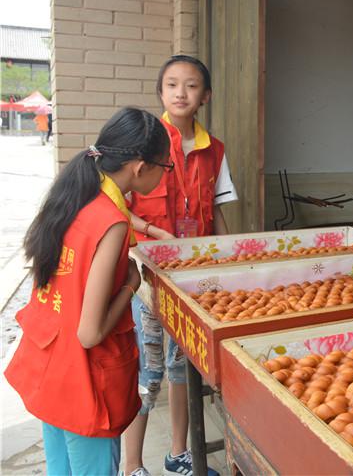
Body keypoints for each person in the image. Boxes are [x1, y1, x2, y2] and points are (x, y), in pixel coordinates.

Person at [5, 108, 170, 476]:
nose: (165, 175)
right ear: (140, 167)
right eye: (165, 166)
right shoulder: (111, 223)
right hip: (84, 384)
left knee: (61, 469)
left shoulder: (74, 194)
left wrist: (149, 231)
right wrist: (132, 284)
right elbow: (90, 332)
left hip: (52, 372)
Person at [122, 55, 235, 476]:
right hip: (149, 278)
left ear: (205, 96)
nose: (181, 93)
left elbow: (218, 213)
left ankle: (177, 454)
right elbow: (114, 205)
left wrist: (230, 260)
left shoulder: (215, 149)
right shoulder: (143, 144)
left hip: (194, 280)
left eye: (191, 86)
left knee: (182, 368)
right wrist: (152, 233)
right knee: (147, 373)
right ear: (161, 93)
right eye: (171, 85)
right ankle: (132, 465)